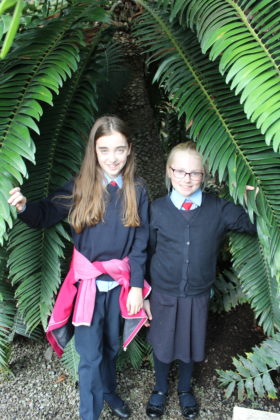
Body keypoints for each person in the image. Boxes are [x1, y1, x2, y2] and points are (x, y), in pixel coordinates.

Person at [8, 115, 150, 420]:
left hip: (120, 286)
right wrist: (23, 206)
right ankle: (89, 414)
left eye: (119, 149)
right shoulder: (80, 186)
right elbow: (44, 215)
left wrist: (137, 286)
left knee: (112, 348)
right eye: (104, 150)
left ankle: (109, 391)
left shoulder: (136, 190)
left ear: (130, 150)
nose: (113, 158)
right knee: (89, 356)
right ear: (94, 151)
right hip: (87, 287)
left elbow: (140, 242)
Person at [145, 141, 257, 419]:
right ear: (169, 171)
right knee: (162, 342)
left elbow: (253, 226)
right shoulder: (156, 210)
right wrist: (145, 293)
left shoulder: (219, 209)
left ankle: (184, 389)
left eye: (195, 173)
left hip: (197, 293)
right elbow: (145, 251)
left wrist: (250, 197)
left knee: (189, 342)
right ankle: (159, 388)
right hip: (163, 292)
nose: (187, 178)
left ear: (205, 175)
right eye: (180, 171)